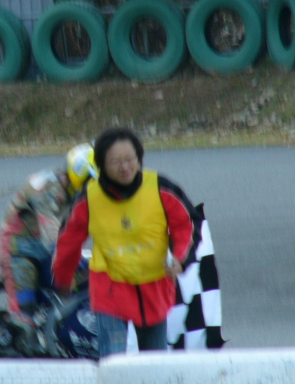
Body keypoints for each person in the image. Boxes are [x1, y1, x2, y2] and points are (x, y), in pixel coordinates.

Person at [52, 126, 199, 358]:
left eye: (130, 159)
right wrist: (63, 279)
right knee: (115, 364)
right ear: (101, 165)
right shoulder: (88, 198)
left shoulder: (161, 187)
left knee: (155, 364)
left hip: (154, 289)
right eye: (115, 161)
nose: (124, 167)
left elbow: (187, 225)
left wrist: (181, 259)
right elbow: (68, 242)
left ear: (139, 158)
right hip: (110, 290)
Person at [0, 142, 98, 354]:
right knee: (24, 312)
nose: (94, 186)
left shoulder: (72, 189)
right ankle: (25, 337)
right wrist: (66, 252)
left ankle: (64, 329)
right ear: (80, 173)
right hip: (18, 248)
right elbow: (50, 225)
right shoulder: (50, 189)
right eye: (91, 180)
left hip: (43, 246)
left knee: (79, 279)